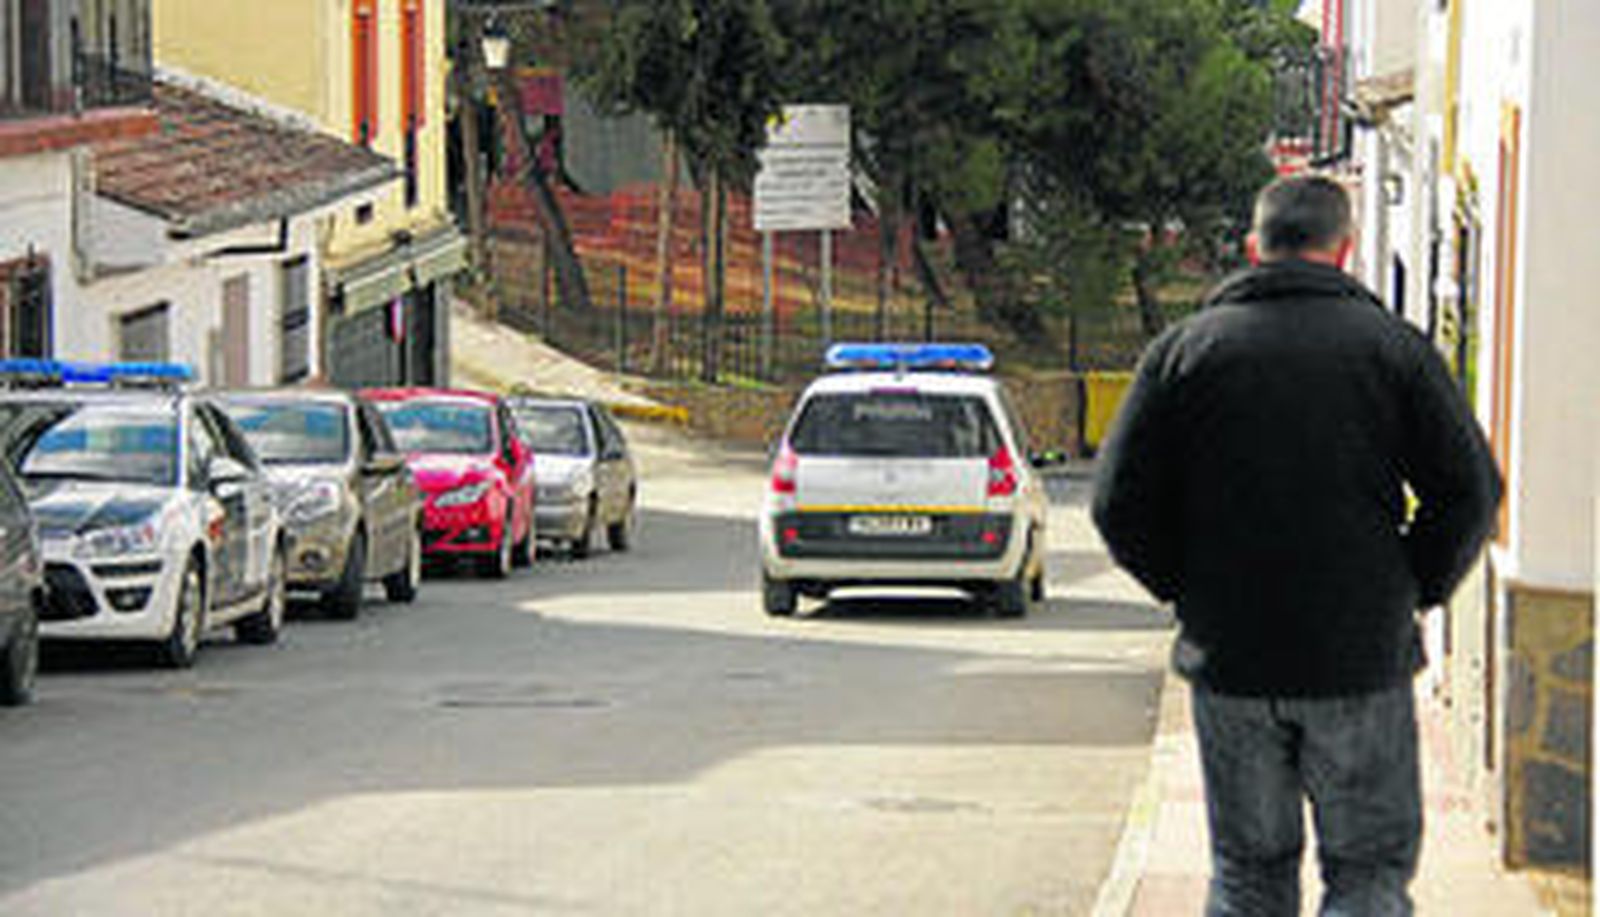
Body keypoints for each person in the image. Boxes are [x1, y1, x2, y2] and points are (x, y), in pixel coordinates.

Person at [1091, 175, 1502, 916]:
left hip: (1232, 653)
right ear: (1343, 252)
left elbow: (1118, 501)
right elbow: (1470, 490)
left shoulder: (1185, 352)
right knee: (1369, 876)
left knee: (1248, 874)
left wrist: (1187, 585)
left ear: (1254, 248)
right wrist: (1413, 583)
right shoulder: (1393, 351)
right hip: (1359, 654)